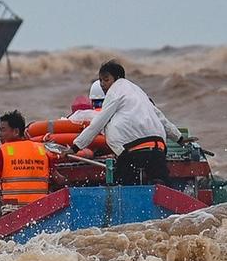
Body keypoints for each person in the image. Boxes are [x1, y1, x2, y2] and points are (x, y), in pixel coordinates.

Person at [63, 60, 195, 185]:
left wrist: (75, 147)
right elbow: (160, 117)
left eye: (106, 79)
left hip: (131, 151)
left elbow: (98, 123)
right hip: (158, 148)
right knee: (162, 185)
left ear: (117, 78)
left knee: (125, 185)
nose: (102, 84)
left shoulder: (114, 91)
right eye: (101, 80)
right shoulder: (138, 91)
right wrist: (179, 138)